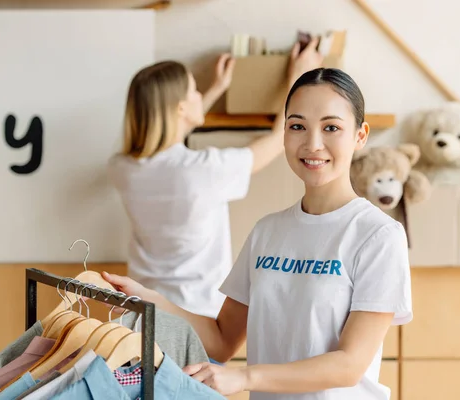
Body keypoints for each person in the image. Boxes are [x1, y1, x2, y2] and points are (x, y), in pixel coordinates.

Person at [103, 64, 413, 400]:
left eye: (331, 128)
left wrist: (243, 377)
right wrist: (152, 300)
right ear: (284, 134)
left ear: (360, 136)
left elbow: (349, 365)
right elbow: (221, 338)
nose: (313, 144)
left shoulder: (378, 236)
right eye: (297, 126)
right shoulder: (267, 232)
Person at [107, 38, 324, 321]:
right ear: (180, 108)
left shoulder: (122, 169)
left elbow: (169, 137)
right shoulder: (204, 169)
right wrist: (298, 78)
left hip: (142, 317)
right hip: (196, 321)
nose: (200, 95)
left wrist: (215, 89)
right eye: (194, 91)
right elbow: (276, 139)